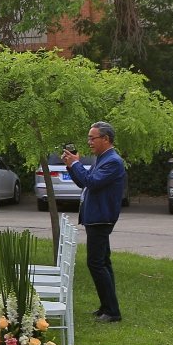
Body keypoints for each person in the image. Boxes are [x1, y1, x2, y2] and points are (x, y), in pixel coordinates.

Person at [63, 122, 128, 324]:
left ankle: (112, 311)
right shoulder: (102, 159)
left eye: (93, 138)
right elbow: (85, 182)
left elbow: (92, 182)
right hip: (96, 217)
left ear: (106, 139)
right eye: (89, 138)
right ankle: (107, 307)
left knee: (96, 263)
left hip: (101, 217)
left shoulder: (113, 161)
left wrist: (76, 164)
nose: (89, 142)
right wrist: (71, 166)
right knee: (103, 263)